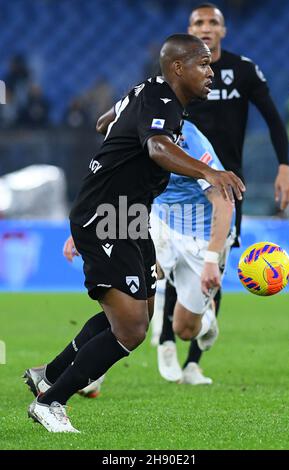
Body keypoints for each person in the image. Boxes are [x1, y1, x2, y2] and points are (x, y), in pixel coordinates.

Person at [24, 34, 245, 433]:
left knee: (136, 313)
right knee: (131, 330)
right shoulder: (162, 103)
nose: (211, 72)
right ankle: (51, 401)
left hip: (129, 215)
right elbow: (158, 149)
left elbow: (105, 118)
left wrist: (113, 118)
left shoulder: (152, 93)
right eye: (203, 64)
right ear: (177, 68)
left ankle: (49, 375)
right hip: (107, 215)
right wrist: (209, 170)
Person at [156, 2, 289, 384]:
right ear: (189, 29)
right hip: (178, 185)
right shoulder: (178, 71)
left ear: (223, 31)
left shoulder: (243, 70)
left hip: (227, 184)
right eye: (198, 21)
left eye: (212, 22)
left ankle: (193, 363)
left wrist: (285, 167)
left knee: (212, 267)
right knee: (169, 265)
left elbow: (273, 120)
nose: (205, 27)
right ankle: (166, 337)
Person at [151, 119, 235, 384]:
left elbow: (223, 200)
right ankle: (88, 373)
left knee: (185, 329)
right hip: (160, 221)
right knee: (131, 298)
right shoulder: (138, 129)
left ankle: (206, 321)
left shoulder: (191, 142)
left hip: (199, 235)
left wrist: (212, 259)